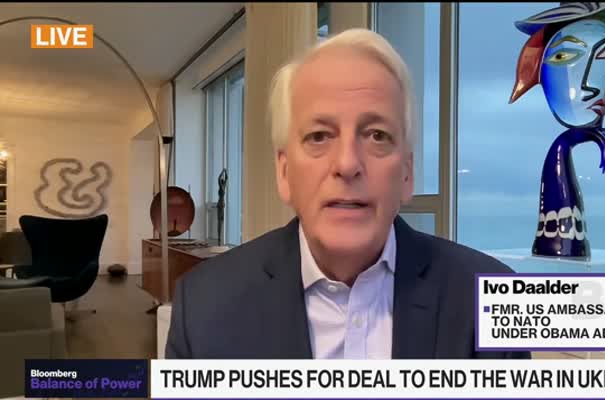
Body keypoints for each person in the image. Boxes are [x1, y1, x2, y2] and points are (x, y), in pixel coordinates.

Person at [166, 28, 529, 360]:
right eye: (319, 136)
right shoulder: (204, 306)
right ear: (284, 172)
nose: (347, 164)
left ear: (406, 173)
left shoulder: (492, 301)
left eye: (376, 136)